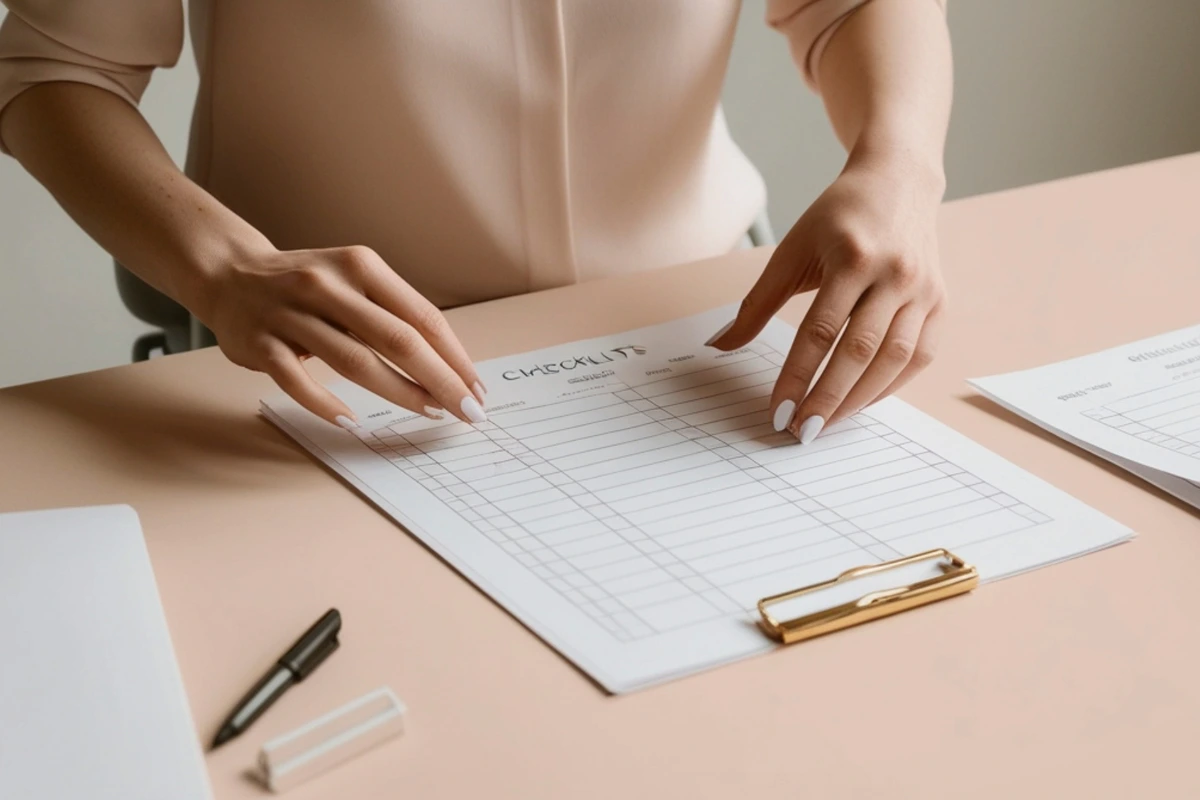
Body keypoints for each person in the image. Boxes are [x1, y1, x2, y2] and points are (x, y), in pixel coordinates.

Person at [0, 0, 951, 443]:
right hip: (333, 358)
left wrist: (901, 163)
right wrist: (223, 267)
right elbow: (53, 70)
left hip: (698, 326)